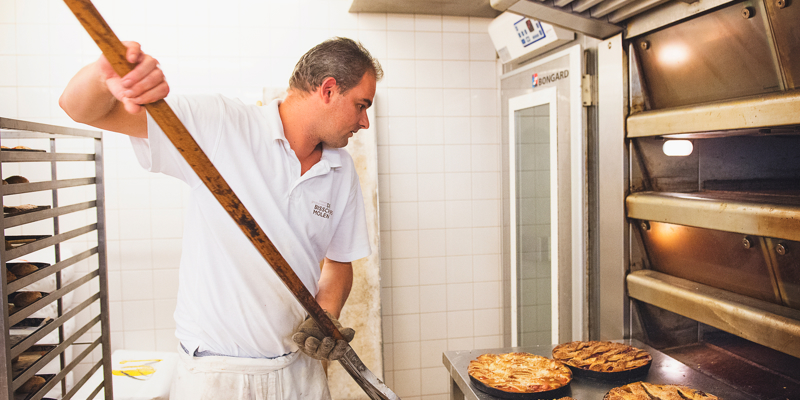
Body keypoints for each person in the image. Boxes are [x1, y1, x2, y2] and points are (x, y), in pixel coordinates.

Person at [59, 37, 382, 399]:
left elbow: (339, 261)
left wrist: (326, 316)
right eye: (360, 105)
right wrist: (105, 74)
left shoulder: (341, 171)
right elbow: (82, 109)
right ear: (327, 89)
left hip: (299, 374)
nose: (365, 122)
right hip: (217, 376)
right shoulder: (221, 125)